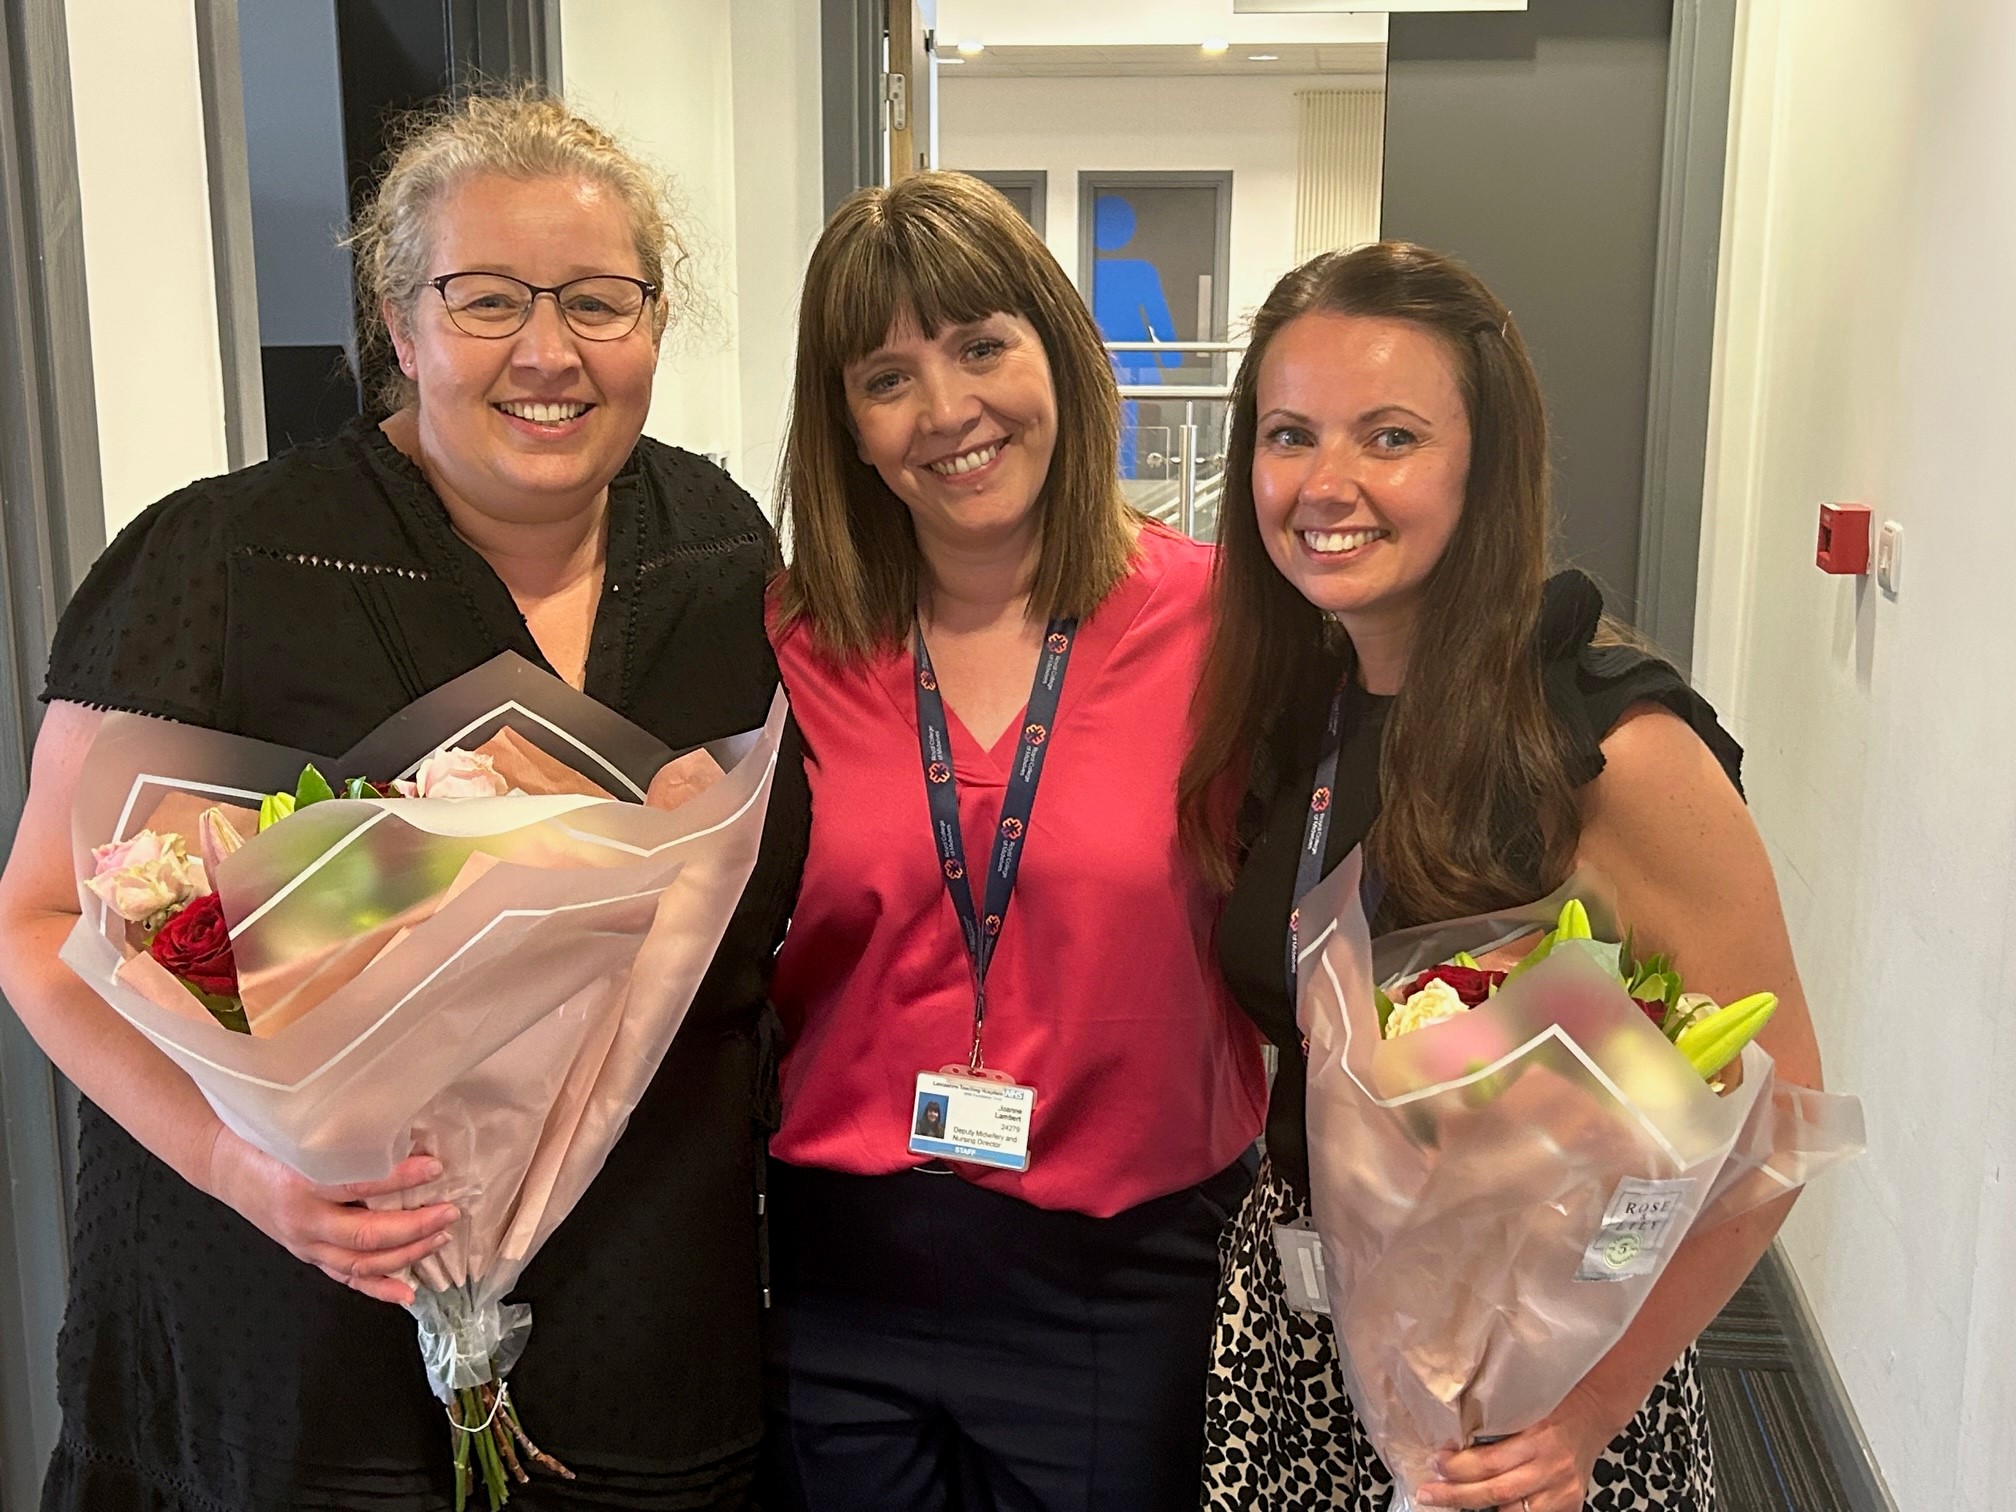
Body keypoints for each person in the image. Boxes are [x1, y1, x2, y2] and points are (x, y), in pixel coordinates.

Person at [0, 91, 808, 1511]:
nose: (549, 352)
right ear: (400, 317)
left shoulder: (717, 547)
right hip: (295, 1306)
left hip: (640, 1313)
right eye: (486, 298)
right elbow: (47, 917)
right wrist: (252, 1175)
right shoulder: (229, 559)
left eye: (599, 302)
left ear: (658, 321)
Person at [1179, 242, 1826, 1512]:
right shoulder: (1296, 701)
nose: (1326, 483)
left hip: (1531, 1397)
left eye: (1392, 436)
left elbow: (1772, 1123)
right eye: (1289, 434)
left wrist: (1585, 1411)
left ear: (1484, 466)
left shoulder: (1608, 741)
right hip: (1294, 1343)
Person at [761, 171, 1267, 1511]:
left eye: (982, 345)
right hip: (841, 1266)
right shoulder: (788, 646)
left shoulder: (1229, 633)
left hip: (1126, 1269)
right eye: (887, 377)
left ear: (1059, 350)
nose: (947, 412)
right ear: (848, 426)